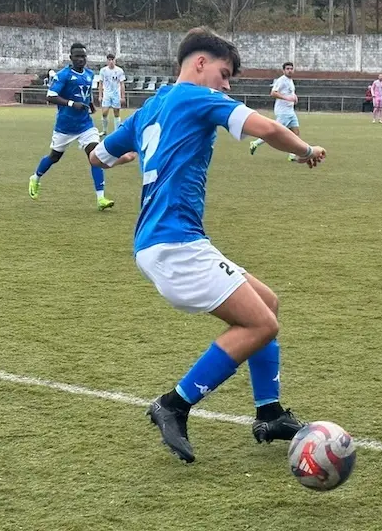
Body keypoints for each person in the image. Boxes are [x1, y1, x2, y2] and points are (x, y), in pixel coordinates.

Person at [89, 27, 328, 464]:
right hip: (175, 244)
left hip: (165, 241)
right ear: (200, 64)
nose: (227, 85)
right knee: (261, 326)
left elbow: (97, 155)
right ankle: (174, 405)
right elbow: (267, 127)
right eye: (224, 73)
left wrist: (131, 154)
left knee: (267, 304)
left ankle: (270, 414)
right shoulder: (198, 98)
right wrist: (305, 149)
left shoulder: (152, 106)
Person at [29, 42, 117, 211]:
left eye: (83, 56)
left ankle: (101, 198)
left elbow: (86, 92)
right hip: (65, 126)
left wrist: (90, 105)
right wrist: (71, 103)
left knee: (95, 156)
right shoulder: (63, 75)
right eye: (77, 56)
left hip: (85, 125)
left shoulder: (90, 74)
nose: (80, 59)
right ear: (71, 58)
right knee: (54, 157)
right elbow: (51, 96)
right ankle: (36, 177)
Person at [249, 62, 299, 161]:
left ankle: (292, 155)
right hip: (283, 112)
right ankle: (255, 143)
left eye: (291, 68)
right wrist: (286, 98)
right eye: (287, 69)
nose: (290, 70)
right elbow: (273, 93)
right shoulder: (281, 80)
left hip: (290, 111)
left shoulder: (290, 81)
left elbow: (290, 93)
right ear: (283, 70)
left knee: (296, 132)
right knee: (274, 132)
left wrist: (295, 98)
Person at [98, 54, 126, 136]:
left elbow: (122, 84)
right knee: (104, 112)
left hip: (116, 94)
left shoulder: (120, 71)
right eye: (109, 60)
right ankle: (104, 130)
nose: (111, 62)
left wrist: (122, 96)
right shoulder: (103, 70)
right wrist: (100, 95)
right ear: (107, 61)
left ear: (115, 60)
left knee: (116, 112)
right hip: (106, 94)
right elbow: (100, 83)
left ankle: (116, 131)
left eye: (112, 60)